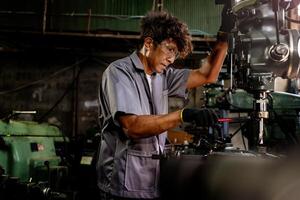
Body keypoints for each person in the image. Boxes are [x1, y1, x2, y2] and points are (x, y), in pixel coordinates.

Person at [96, 9, 233, 200]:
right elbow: (132, 127)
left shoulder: (163, 76)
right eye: (169, 50)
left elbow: (206, 74)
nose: (171, 59)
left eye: (176, 54)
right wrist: (182, 115)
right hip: (122, 186)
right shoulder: (119, 73)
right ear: (149, 43)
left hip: (152, 183)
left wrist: (225, 37)